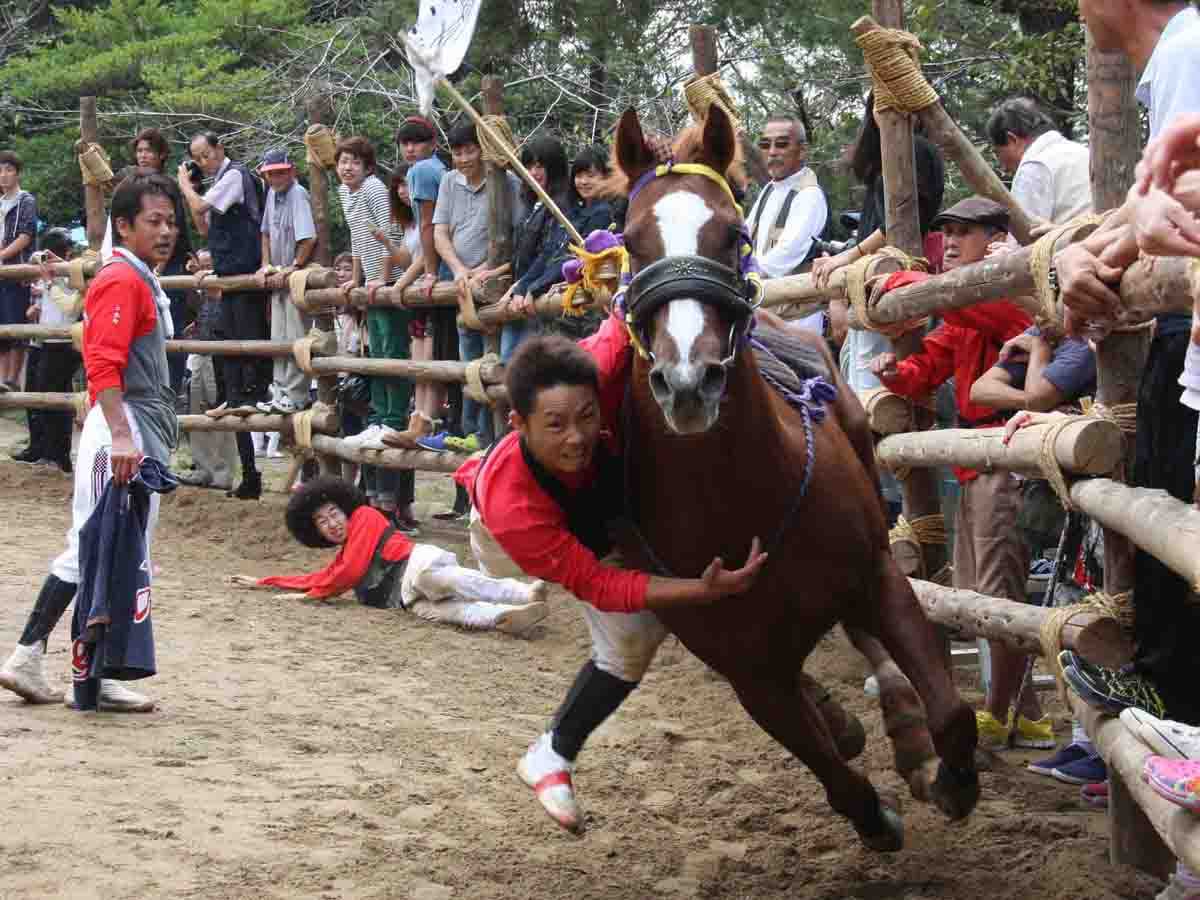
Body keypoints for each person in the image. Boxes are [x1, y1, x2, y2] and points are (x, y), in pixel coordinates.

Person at [454, 324, 767, 832]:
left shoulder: (597, 369)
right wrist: (701, 591)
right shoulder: (516, 511)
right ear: (518, 422)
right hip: (511, 540)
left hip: (600, 506)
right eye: (554, 425)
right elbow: (601, 585)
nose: (575, 437)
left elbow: (625, 317)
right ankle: (550, 756)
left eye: (585, 416)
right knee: (631, 639)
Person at [1049, 0, 1200, 743]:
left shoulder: (1187, 47)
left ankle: (1176, 693)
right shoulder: (1175, 58)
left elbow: (1177, 209)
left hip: (1188, 331)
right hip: (1177, 332)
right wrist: (1087, 252)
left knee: (1176, 520)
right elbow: (1156, 202)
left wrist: (1106, 256)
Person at [867, 197, 1048, 751]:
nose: (948, 243)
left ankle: (999, 713)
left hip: (1006, 457)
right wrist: (898, 374)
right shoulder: (969, 308)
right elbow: (929, 366)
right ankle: (1029, 715)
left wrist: (901, 280)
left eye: (963, 233)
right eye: (945, 232)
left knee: (997, 591)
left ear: (996, 241)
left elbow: (964, 312)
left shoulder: (1007, 298)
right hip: (978, 460)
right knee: (979, 592)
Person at [0, 170, 180, 712]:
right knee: (93, 544)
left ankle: (96, 670)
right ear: (123, 226)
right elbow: (103, 361)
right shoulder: (122, 280)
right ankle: (28, 655)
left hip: (137, 426)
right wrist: (124, 435)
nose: (166, 231)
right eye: (154, 221)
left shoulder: (138, 276)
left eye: (171, 221)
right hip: (122, 429)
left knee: (123, 550)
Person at [229, 476, 549, 633]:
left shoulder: (366, 517)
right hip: (406, 600)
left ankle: (522, 592)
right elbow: (322, 577)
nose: (332, 524)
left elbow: (346, 574)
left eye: (333, 514)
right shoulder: (342, 557)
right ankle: (504, 617)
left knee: (448, 579)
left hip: (416, 567)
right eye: (323, 523)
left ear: (344, 509)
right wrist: (264, 582)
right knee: (451, 613)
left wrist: (310, 596)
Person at [177, 131, 269, 500]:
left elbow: (199, 210)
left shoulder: (235, 177)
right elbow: (204, 226)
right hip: (230, 278)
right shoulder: (218, 185)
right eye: (196, 159)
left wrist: (185, 185)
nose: (202, 162)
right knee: (231, 374)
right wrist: (194, 190)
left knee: (246, 367)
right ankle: (249, 474)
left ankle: (254, 467)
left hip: (244, 280)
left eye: (205, 154)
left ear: (219, 149)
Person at [333, 136, 419, 532]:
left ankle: (392, 414)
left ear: (368, 165)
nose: (347, 167)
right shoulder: (346, 194)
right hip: (372, 284)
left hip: (394, 281)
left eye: (354, 161)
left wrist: (382, 279)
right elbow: (357, 239)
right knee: (378, 350)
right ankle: (382, 415)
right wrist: (357, 278)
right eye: (342, 161)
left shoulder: (372, 189)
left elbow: (387, 234)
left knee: (391, 351)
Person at [428, 122, 523, 454]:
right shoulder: (448, 182)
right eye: (458, 152)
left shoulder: (506, 183)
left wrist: (483, 271)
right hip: (462, 286)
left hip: (495, 285)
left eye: (470, 150)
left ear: (482, 149)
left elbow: (514, 237)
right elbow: (439, 232)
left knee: (493, 361)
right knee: (468, 363)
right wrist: (459, 270)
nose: (465, 158)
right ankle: (471, 433)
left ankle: (491, 437)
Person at [103, 129, 196, 397]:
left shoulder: (167, 188)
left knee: (169, 333)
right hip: (135, 268)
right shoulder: (129, 189)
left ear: (161, 155)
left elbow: (176, 234)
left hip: (168, 269)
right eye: (140, 150)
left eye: (149, 151)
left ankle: (170, 391)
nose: (143, 155)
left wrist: (158, 270)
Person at [507, 145, 616, 343]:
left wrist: (535, 288)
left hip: (583, 311)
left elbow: (572, 258)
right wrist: (523, 287)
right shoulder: (572, 212)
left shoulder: (603, 214)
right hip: (556, 308)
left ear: (606, 177)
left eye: (591, 175)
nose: (583, 182)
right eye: (579, 175)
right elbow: (549, 254)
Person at [397, 116, 450, 440]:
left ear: (432, 143)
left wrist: (430, 272)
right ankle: (423, 420)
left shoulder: (422, 171)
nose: (410, 148)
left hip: (440, 268)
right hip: (442, 263)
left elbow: (429, 224)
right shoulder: (440, 169)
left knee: (428, 351)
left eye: (416, 141)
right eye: (405, 142)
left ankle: (423, 421)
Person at [254, 148, 316, 415]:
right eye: (271, 174)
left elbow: (308, 238)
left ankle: (296, 395)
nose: (275, 178)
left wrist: (294, 267)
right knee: (278, 337)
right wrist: (265, 265)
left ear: (291, 171)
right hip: (278, 276)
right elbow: (265, 233)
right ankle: (280, 393)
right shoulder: (272, 194)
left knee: (294, 336)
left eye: (280, 172)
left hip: (294, 278)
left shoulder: (298, 194)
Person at [14, 229, 83, 472]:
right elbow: (34, 257)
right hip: (49, 342)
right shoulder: (54, 270)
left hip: (64, 342)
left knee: (57, 399)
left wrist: (53, 277)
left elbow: (71, 309)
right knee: (46, 395)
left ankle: (59, 455)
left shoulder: (74, 272)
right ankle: (50, 451)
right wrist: (46, 264)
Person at [497, 135, 570, 362]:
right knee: (507, 364)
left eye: (540, 166)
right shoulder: (531, 203)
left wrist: (525, 286)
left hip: (539, 301)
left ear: (554, 168)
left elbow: (551, 254)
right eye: (529, 165)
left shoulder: (562, 205)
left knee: (523, 368)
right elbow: (524, 253)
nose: (533, 172)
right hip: (520, 296)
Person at [745, 113, 828, 278]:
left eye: (782, 145)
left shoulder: (809, 194)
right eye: (765, 145)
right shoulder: (769, 190)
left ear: (802, 151)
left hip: (792, 298)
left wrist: (746, 276)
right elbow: (745, 235)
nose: (772, 152)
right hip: (759, 291)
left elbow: (788, 252)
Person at [987, 97, 1092, 227]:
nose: (1003, 168)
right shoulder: (1083, 152)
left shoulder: (1033, 166)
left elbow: (1023, 238)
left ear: (1012, 139)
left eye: (998, 153)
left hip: (1072, 245)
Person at [0, 150, 36, 392]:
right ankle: (2, 379)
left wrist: (1, 256)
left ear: (17, 173)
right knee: (2, 326)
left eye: (8, 170)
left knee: (17, 324)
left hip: (17, 271)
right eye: (0, 170)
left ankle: (13, 379)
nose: (3, 175)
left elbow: (25, 236)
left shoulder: (26, 201)